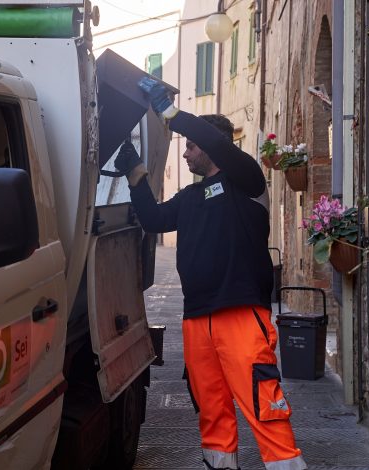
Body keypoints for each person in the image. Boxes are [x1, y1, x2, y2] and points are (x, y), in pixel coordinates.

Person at [114, 77, 307, 470]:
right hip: (196, 319)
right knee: (212, 412)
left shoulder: (247, 183)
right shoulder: (190, 196)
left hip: (240, 315)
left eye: (192, 146)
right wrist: (135, 174)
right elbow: (152, 219)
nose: (186, 154)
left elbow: (217, 144)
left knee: (263, 405)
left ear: (214, 147)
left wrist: (171, 114)